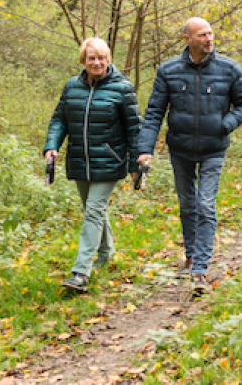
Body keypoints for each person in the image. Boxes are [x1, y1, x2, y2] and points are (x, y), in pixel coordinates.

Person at [137, 17, 242, 293]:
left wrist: (224, 125)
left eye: (210, 34)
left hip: (214, 148)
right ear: (187, 39)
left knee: (205, 204)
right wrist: (145, 150)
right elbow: (154, 113)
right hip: (180, 148)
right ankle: (190, 254)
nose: (209, 39)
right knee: (188, 203)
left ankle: (200, 269)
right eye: (202, 35)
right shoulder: (168, 71)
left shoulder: (229, 68)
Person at [44, 37, 143, 293]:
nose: (96, 62)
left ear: (108, 59)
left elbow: (134, 129)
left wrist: (136, 163)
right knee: (93, 210)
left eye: (101, 57)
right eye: (91, 58)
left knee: (93, 212)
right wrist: (52, 145)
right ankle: (107, 253)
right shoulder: (71, 87)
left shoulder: (122, 88)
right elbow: (59, 119)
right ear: (83, 60)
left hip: (110, 160)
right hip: (79, 159)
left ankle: (80, 272)